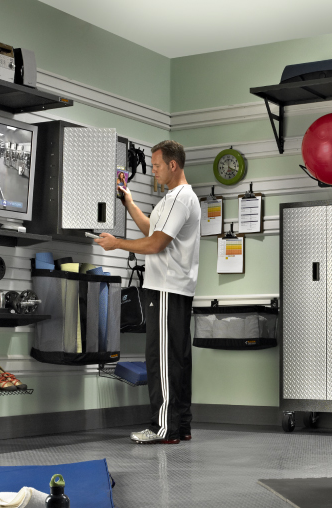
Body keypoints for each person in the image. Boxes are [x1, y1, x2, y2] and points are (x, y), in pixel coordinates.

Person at [95, 140, 200, 445]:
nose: (152, 170)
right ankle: (181, 425)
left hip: (167, 289)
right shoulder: (171, 200)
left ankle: (163, 428)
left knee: (162, 360)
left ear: (172, 165)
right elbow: (151, 231)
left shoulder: (180, 199)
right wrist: (128, 202)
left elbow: (155, 245)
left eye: (156, 165)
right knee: (176, 359)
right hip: (170, 290)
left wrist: (116, 243)